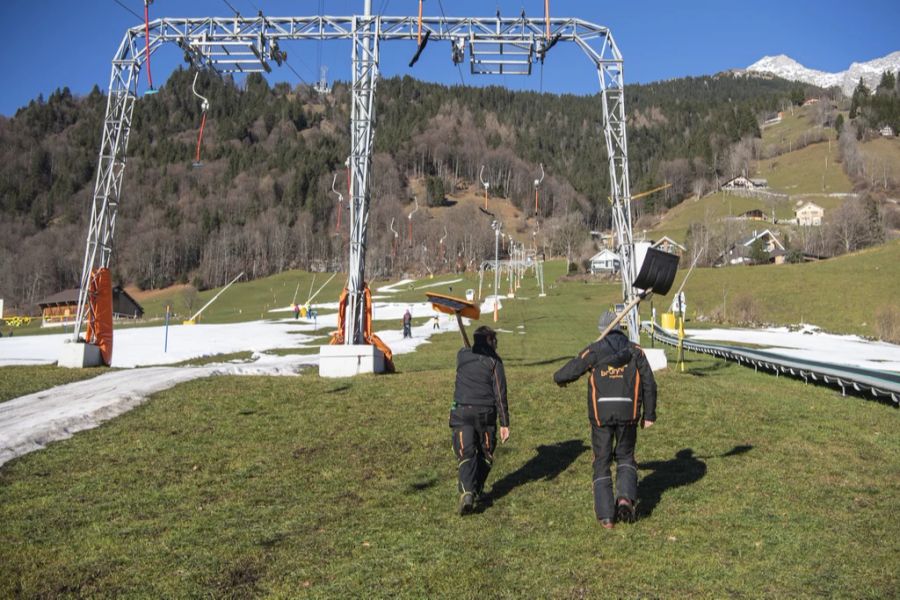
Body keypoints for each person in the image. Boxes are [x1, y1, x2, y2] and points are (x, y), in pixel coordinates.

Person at [553, 310, 657, 529]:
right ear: (620, 328)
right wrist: (649, 414)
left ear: (603, 330)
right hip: (628, 412)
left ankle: (606, 517)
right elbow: (649, 382)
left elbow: (570, 370)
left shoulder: (595, 349)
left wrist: (559, 379)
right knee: (626, 457)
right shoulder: (634, 350)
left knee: (601, 461)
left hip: (601, 414)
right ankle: (625, 499)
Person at [450, 326, 509, 515]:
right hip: (484, 413)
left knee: (466, 452)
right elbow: (500, 394)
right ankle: (474, 489)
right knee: (485, 452)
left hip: (461, 411)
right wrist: (505, 423)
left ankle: (468, 491)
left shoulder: (462, 355)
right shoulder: (494, 362)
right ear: (490, 340)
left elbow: (465, 351)